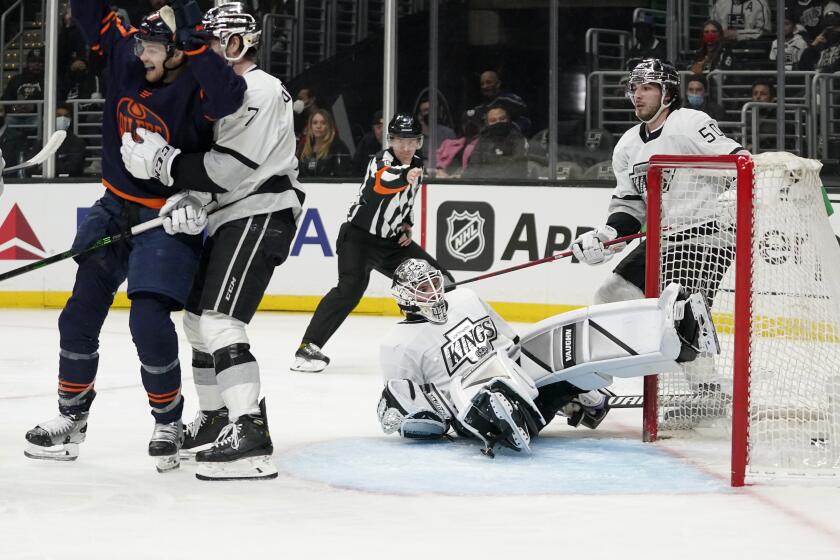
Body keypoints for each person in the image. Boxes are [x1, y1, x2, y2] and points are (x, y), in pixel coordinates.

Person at [23, 0, 246, 473]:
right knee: (78, 313)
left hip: (166, 217)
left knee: (147, 321)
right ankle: (71, 418)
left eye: (152, 48)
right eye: (141, 45)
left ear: (178, 52)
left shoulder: (197, 83)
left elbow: (230, 98)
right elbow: (90, 13)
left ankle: (168, 421)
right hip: (114, 207)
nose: (142, 54)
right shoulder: (127, 56)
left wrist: (198, 43)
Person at [121, 2, 303, 481]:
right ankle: (217, 418)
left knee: (222, 320)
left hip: (261, 211)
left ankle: (249, 432)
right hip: (232, 214)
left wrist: (164, 165)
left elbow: (232, 169)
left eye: (223, 40)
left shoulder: (261, 89)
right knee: (199, 322)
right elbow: (215, 176)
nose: (215, 50)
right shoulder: (217, 94)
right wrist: (187, 199)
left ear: (243, 42)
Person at [377, 259, 719, 456]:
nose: (433, 292)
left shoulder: (466, 298)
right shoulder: (397, 344)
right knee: (492, 390)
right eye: (423, 288)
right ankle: (510, 414)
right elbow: (411, 404)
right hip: (477, 414)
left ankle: (679, 341)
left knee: (575, 343)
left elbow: (509, 339)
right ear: (404, 296)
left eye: (434, 282)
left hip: (518, 377)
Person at [570, 59, 747, 304]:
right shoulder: (627, 145)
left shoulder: (689, 123)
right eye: (634, 88)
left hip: (706, 235)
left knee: (673, 310)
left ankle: (693, 341)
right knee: (611, 296)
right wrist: (608, 236)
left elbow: (741, 162)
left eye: (647, 87)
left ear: (668, 93)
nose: (637, 95)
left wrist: (736, 195)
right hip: (663, 241)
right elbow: (630, 206)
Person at [291, 113, 454, 373]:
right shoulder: (380, 161)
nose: (406, 147)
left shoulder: (417, 164)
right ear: (391, 140)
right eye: (400, 141)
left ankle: (442, 346)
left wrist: (407, 225)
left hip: (391, 243)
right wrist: (405, 177)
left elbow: (407, 201)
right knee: (350, 289)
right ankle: (308, 347)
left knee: (440, 280)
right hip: (358, 239)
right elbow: (383, 182)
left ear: (419, 142)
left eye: (411, 141)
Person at [462, 104, 528, 180]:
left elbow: (518, 169)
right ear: (487, 123)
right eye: (493, 121)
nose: (498, 123)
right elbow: (473, 168)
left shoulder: (518, 139)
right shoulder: (482, 140)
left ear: (508, 120)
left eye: (502, 119)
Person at [25, 103, 88, 177]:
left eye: (66, 116)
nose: (63, 118)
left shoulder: (77, 143)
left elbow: (73, 167)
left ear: (71, 119)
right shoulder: (43, 141)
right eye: (58, 115)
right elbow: (30, 165)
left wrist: (46, 167)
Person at [470, 70, 530, 135]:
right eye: (482, 84)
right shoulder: (478, 109)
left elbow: (526, 119)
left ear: (498, 84)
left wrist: (510, 130)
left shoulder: (511, 100)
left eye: (489, 82)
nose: (485, 86)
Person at [297, 108, 351, 178]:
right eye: (315, 123)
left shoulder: (338, 147)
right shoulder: (303, 147)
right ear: (310, 126)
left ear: (329, 126)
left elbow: (341, 176)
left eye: (323, 123)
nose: (318, 126)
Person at [350, 109, 383, 177]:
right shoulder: (367, 142)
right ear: (373, 130)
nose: (383, 130)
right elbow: (355, 169)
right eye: (379, 127)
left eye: (386, 126)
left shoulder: (400, 143)